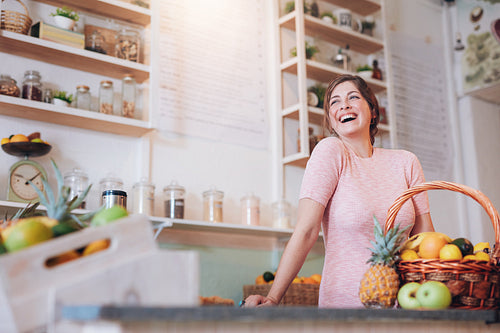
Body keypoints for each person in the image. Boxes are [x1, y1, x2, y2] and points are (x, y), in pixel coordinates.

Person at [243, 74, 435, 308]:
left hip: (408, 303)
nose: (344, 104)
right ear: (332, 120)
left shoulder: (406, 162)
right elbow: (306, 230)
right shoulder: (330, 151)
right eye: (335, 101)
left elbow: (425, 239)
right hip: (346, 306)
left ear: (373, 111)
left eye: (353, 97)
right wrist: (273, 297)